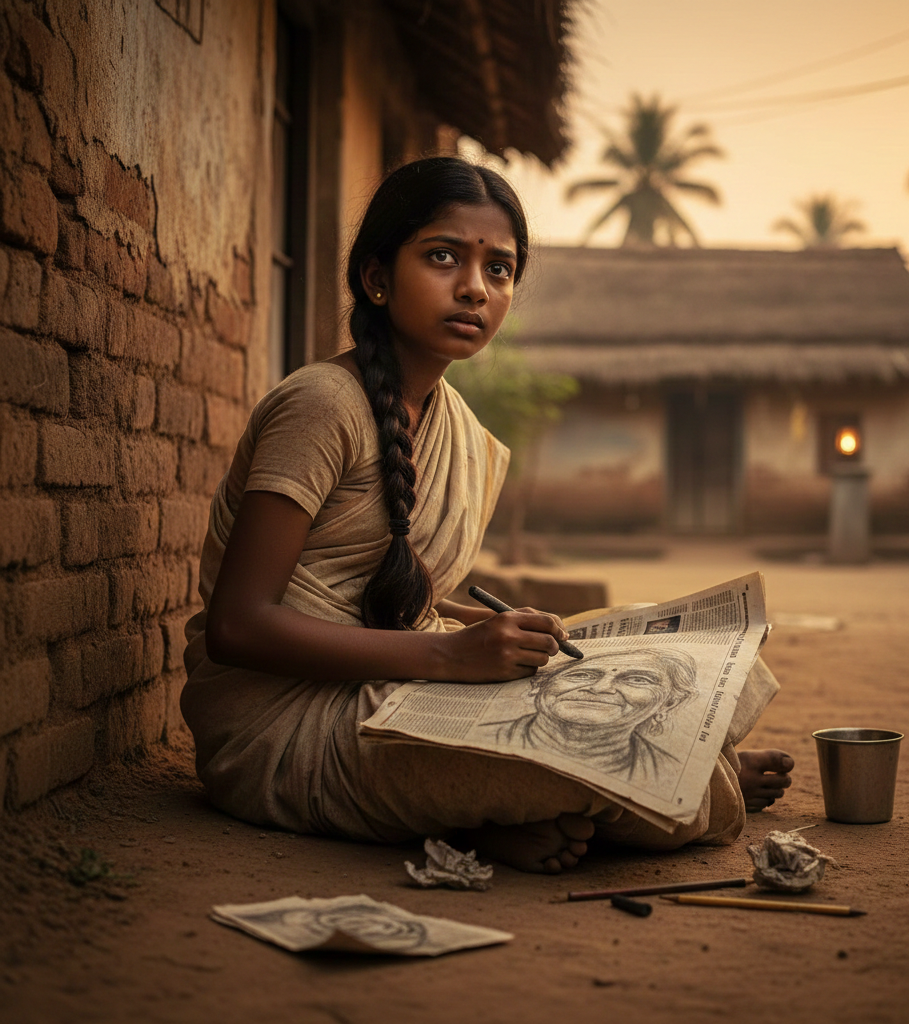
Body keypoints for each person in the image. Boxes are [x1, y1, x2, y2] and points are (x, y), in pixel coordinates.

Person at [180, 157, 793, 875]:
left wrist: (495, 636)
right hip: (284, 728)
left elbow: (391, 606)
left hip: (396, 688)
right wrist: (450, 655)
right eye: (443, 257)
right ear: (376, 277)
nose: (474, 287)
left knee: (649, 674)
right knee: (621, 763)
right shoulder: (323, 406)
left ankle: (511, 805)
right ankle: (646, 782)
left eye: (499, 269)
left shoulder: (457, 430)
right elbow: (238, 625)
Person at [489, 648, 701, 784]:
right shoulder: (488, 741)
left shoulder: (671, 772)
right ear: (539, 685)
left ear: (669, 703)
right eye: (582, 675)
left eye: (637, 679)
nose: (600, 688)